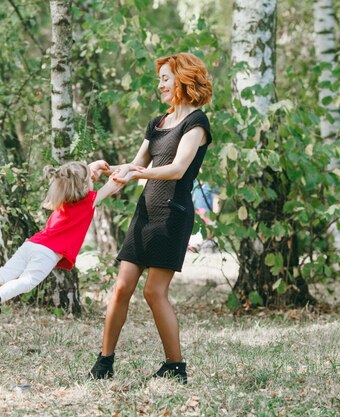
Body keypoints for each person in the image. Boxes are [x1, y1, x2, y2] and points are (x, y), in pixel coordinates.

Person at [90, 52, 213, 384]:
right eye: (159, 78)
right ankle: (104, 361)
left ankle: (176, 366)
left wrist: (136, 173)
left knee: (154, 292)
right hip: (145, 211)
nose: (159, 84)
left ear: (183, 79)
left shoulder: (197, 122)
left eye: (164, 78)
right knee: (121, 287)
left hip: (173, 214)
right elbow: (134, 166)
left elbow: (177, 168)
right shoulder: (157, 123)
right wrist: (104, 178)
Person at [0, 160, 121, 327]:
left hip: (32, 244)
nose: (93, 181)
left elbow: (75, 176)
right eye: (90, 180)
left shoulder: (62, 198)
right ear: (84, 185)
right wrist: (131, 168)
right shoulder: (88, 201)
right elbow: (114, 184)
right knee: (27, 282)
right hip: (49, 251)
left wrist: (92, 168)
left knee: (6, 272)